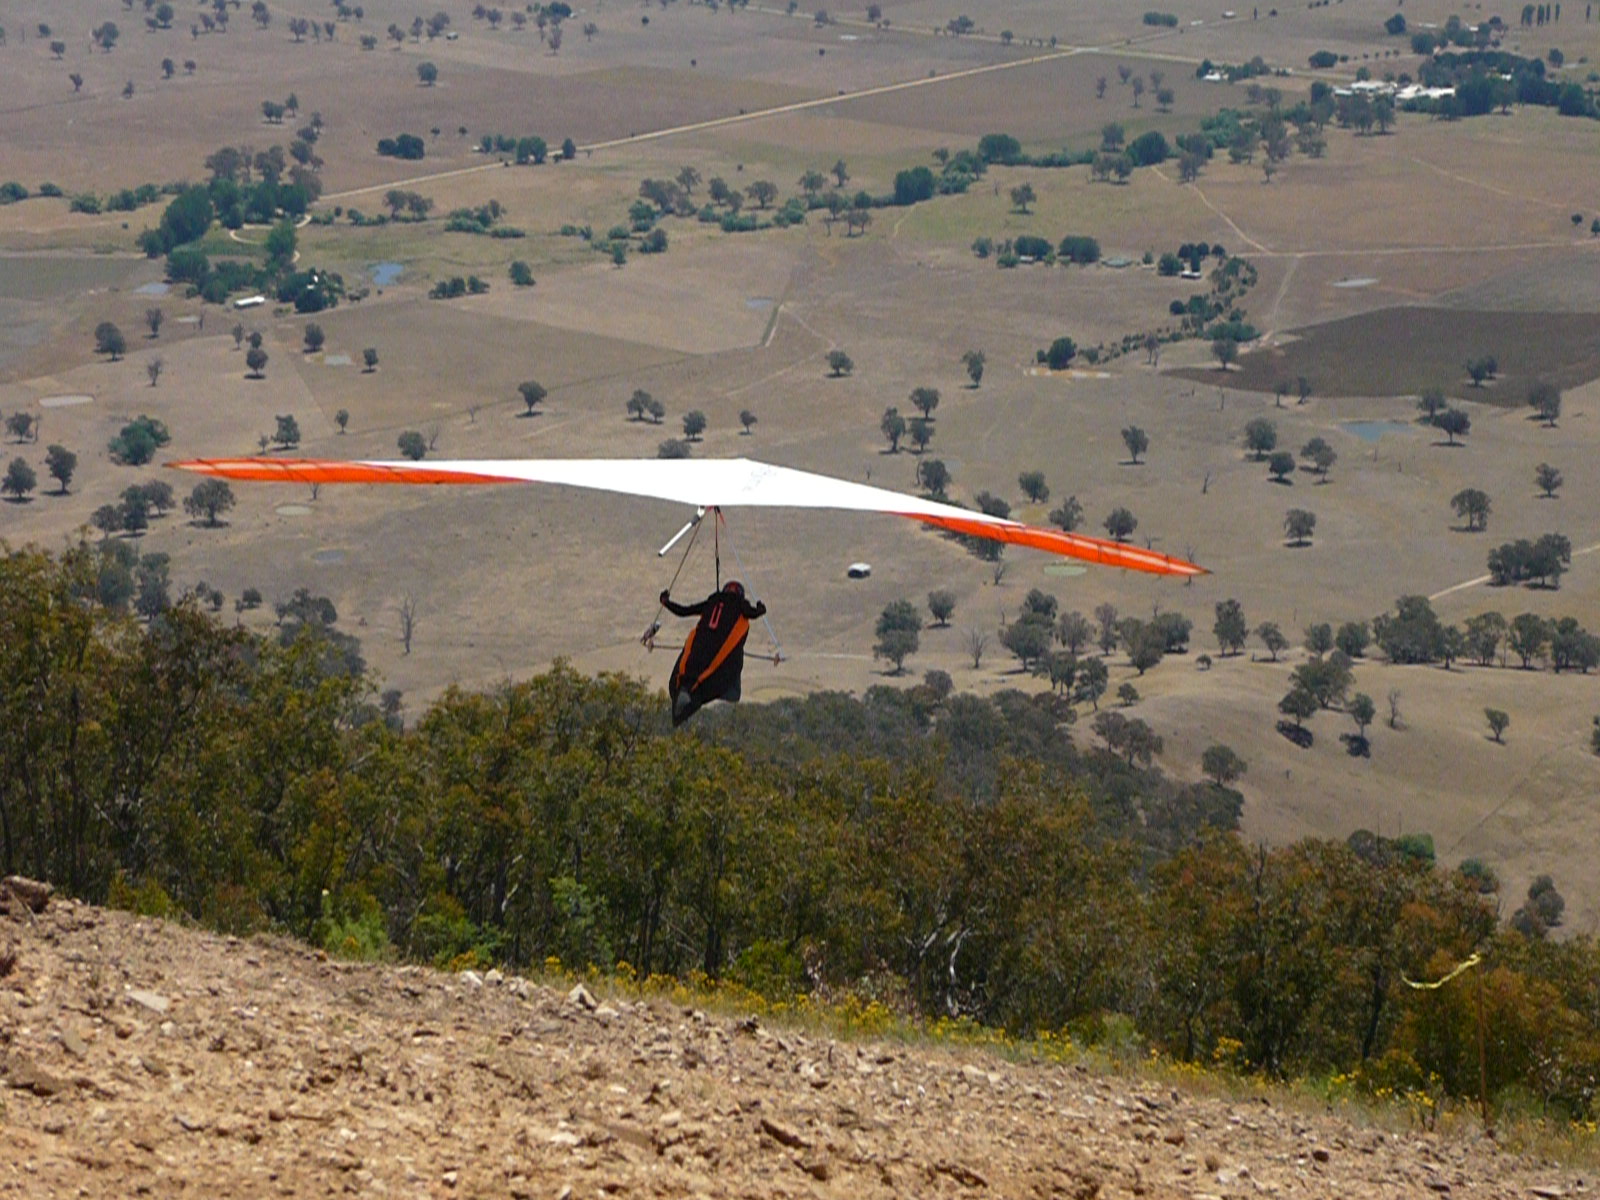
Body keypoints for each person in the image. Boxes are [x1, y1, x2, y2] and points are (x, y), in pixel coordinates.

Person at [659, 580, 766, 726]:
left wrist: (666, 602)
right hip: (718, 651)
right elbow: (752, 613)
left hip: (700, 645)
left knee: (690, 669)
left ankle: (685, 692)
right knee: (722, 667)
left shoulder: (712, 601)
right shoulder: (741, 604)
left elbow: (684, 611)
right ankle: (696, 696)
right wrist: (760, 608)